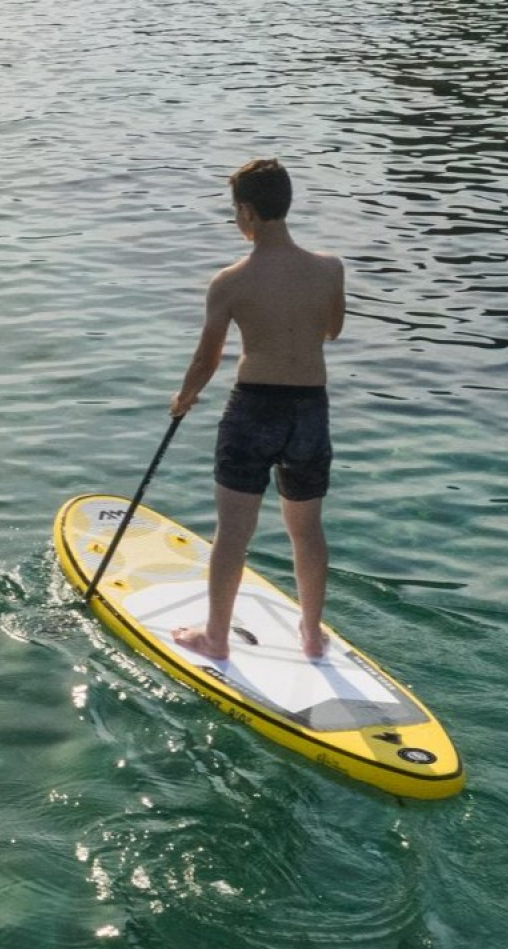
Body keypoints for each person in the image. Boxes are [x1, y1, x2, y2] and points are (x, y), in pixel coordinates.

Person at [169, 158, 345, 661]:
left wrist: (185, 397)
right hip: (310, 410)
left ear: (247, 211)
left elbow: (207, 357)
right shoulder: (330, 268)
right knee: (307, 529)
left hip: (254, 410)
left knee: (234, 532)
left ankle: (216, 638)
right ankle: (311, 636)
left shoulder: (230, 281)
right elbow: (331, 330)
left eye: (235, 211)